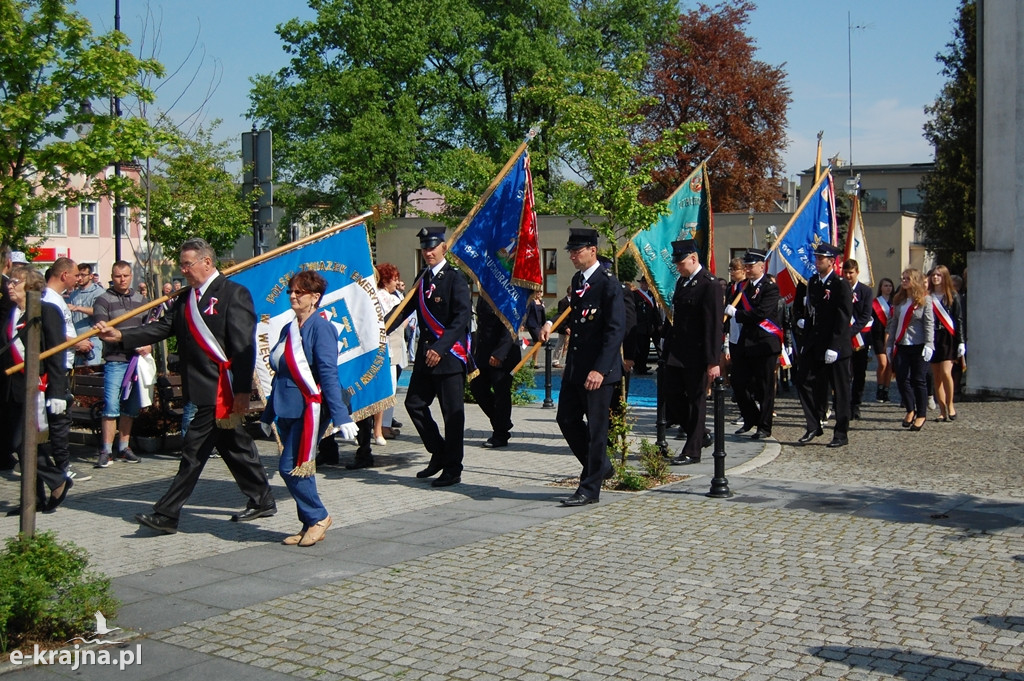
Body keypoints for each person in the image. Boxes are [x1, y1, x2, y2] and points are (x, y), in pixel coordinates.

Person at [96, 238, 276, 534]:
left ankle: (167, 514)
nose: (183, 270)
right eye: (182, 264)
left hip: (220, 390)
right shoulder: (185, 298)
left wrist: (243, 390)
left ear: (207, 262)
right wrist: (121, 337)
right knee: (233, 445)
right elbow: (162, 328)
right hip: (198, 385)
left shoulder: (233, 294)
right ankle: (262, 499)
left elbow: (244, 346)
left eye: (187, 264)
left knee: (193, 452)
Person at [261, 271, 359, 546]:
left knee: (290, 466)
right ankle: (308, 523)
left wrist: (341, 416)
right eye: (291, 291)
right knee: (300, 467)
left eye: (299, 292)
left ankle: (318, 516)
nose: (292, 296)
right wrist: (267, 415)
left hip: (311, 408)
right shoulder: (289, 328)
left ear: (315, 298)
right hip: (287, 407)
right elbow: (280, 373)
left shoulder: (322, 327)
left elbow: (328, 372)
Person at [538, 228, 625, 505]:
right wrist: (551, 323)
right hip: (577, 368)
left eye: (578, 250)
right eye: (571, 251)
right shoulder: (578, 281)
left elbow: (614, 330)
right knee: (566, 419)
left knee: (597, 429)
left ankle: (589, 488)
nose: (573, 256)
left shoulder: (608, 284)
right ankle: (600, 467)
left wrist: (600, 369)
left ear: (592, 251)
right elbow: (575, 321)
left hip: (600, 371)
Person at [385, 227, 472, 488]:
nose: (428, 252)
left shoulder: (455, 279)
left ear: (443, 247)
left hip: (448, 358)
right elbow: (402, 311)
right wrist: (380, 329)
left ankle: (453, 468)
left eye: (432, 247)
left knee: (452, 415)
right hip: (425, 357)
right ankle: (439, 452)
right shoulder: (422, 279)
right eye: (424, 248)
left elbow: (461, 318)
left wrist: (441, 347)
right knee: (414, 404)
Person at [2, 266, 74, 512]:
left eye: (15, 281)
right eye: (10, 281)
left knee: (22, 441)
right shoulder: (12, 313)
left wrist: (57, 391)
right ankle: (32, 500)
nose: (9, 285)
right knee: (24, 445)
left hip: (37, 386)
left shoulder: (47, 311)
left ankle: (57, 480)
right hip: (13, 389)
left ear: (31, 285)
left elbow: (56, 352)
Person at [662, 239, 723, 465]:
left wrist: (713, 360)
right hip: (678, 352)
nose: (678, 267)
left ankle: (692, 450)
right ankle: (700, 434)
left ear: (693, 258)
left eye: (680, 262)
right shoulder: (683, 282)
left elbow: (713, 325)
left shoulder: (710, 285)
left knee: (697, 401)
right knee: (672, 396)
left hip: (698, 354)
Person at [794, 243, 852, 448]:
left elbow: (843, 318)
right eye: (816, 258)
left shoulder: (840, 284)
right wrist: (805, 340)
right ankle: (813, 425)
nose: (818, 261)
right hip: (815, 344)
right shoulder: (814, 283)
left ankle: (841, 433)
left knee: (841, 391)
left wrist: (835, 346)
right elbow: (811, 313)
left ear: (832, 261)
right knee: (803, 381)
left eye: (822, 258)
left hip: (835, 348)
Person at [92, 261, 150, 467]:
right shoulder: (103, 300)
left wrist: (148, 346)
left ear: (131, 276)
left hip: (137, 362)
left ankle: (124, 447)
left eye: (126, 275)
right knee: (110, 406)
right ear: (112, 276)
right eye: (118, 276)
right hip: (115, 361)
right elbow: (103, 334)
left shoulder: (142, 301)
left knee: (131, 407)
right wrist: (129, 341)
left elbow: (149, 331)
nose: (122, 279)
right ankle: (106, 450)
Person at [43, 258, 94, 482]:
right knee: (60, 418)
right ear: (64, 275)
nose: (78, 279)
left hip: (66, 363)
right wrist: (76, 342)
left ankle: (58, 463)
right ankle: (61, 466)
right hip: (56, 367)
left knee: (63, 416)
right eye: (75, 275)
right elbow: (52, 333)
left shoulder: (57, 299)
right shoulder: (48, 300)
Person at [724, 248, 781, 440]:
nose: (747, 269)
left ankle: (764, 427)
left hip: (765, 343)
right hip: (744, 343)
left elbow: (760, 313)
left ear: (761, 266)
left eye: (750, 266)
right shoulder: (742, 288)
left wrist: (737, 314)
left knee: (764, 388)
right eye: (746, 266)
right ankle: (751, 418)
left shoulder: (770, 287)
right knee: (738, 383)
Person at [886, 268, 934, 431]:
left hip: (919, 345)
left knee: (918, 380)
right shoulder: (899, 300)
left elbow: (929, 323)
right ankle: (910, 409)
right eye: (903, 278)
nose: (904, 281)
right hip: (902, 345)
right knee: (901, 379)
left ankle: (921, 414)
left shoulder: (925, 300)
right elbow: (893, 323)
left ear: (915, 281)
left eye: (907, 278)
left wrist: (929, 343)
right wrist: (889, 344)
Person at [470, 296, 520, 448]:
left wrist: (500, 353)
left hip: (504, 353)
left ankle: (500, 435)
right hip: (484, 352)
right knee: (477, 387)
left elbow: (510, 326)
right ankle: (502, 423)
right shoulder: (484, 293)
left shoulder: (505, 293)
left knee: (501, 394)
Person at [372, 263, 407, 445]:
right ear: (386, 280)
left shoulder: (393, 296)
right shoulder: (384, 298)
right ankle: (381, 427)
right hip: (386, 348)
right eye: (394, 278)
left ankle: (384, 425)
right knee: (386, 388)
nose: (397, 282)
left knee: (390, 388)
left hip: (394, 348)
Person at [927, 265, 965, 422]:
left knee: (945, 373)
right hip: (933, 337)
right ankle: (942, 410)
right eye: (934, 275)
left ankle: (950, 405)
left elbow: (959, 320)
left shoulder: (952, 296)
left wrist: (961, 341)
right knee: (936, 376)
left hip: (948, 338)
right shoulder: (928, 296)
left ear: (944, 277)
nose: (935, 278)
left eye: (939, 275)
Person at [842, 260, 875, 420]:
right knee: (845, 373)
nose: (848, 276)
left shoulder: (865, 291)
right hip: (843, 338)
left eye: (851, 273)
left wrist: (851, 331)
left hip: (860, 337)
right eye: (846, 272)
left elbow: (865, 315)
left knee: (860, 373)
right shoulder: (839, 289)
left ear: (857, 272)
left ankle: (856, 404)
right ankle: (844, 404)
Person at [68, 263, 105, 367]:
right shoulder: (74, 294)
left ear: (91, 276)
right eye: (77, 275)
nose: (80, 278)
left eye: (83, 275)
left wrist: (77, 308)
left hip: (92, 338)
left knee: (91, 371)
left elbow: (100, 311)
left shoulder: (99, 292)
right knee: (78, 374)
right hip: (77, 339)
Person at [871, 277, 895, 403]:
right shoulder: (875, 303)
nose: (888, 288)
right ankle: (879, 388)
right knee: (883, 363)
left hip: (892, 336)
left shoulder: (895, 302)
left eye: (890, 286)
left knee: (890, 365)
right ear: (881, 288)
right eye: (885, 285)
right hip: (878, 336)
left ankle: (886, 389)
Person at [632, 276, 660, 374]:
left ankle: (642, 365)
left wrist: (658, 323)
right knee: (639, 348)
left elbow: (655, 311)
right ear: (641, 283)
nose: (645, 285)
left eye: (647, 283)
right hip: (639, 326)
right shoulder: (635, 295)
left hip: (648, 326)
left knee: (646, 348)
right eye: (643, 283)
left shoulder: (650, 294)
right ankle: (639, 367)